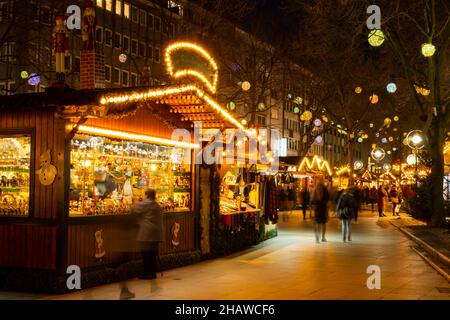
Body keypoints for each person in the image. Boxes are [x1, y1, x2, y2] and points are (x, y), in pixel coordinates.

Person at [130, 189, 163, 279]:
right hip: (156, 233)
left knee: (146, 254)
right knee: (152, 254)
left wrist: (135, 201)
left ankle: (147, 273)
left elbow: (133, 208)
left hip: (147, 232)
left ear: (147, 195)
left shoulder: (147, 203)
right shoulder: (157, 205)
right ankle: (152, 273)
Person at [311, 178, 330, 243]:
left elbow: (312, 200)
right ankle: (323, 237)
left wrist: (312, 209)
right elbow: (328, 199)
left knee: (317, 223)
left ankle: (317, 237)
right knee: (323, 223)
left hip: (317, 208)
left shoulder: (315, 190)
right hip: (323, 208)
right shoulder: (325, 189)